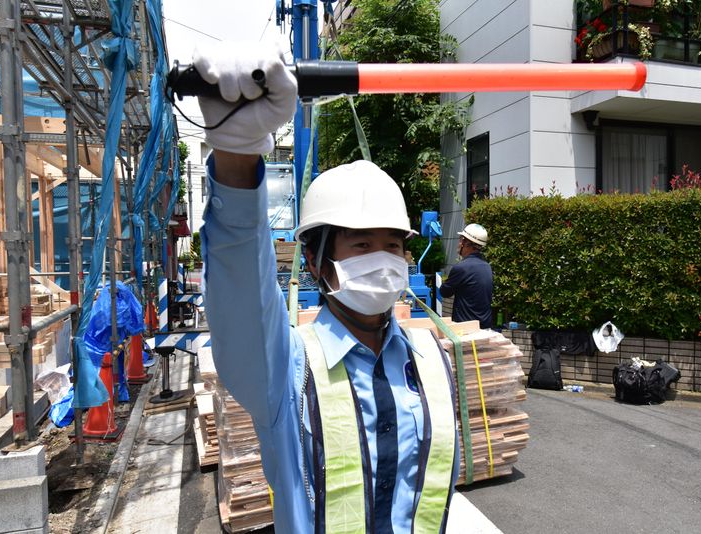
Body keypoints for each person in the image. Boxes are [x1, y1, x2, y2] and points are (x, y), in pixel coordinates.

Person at [196, 42, 459, 534]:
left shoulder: (430, 361)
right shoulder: (286, 371)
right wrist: (236, 156)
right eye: (361, 244)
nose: (382, 259)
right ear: (316, 263)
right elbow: (241, 293)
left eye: (392, 245)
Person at [439, 224, 494, 329]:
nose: (459, 243)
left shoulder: (461, 268)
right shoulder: (487, 266)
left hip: (466, 328)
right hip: (485, 327)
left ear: (466, 243)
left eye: (461, 239)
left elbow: (444, 292)